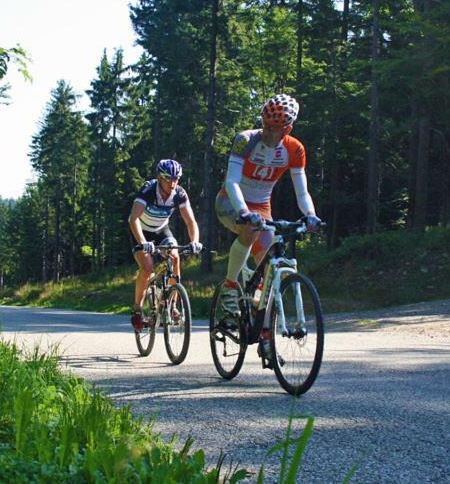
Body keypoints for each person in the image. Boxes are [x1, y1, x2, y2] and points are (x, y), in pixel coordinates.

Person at [215, 94, 322, 364]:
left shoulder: (295, 149)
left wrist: (310, 215)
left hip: (262, 206)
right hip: (231, 201)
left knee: (270, 269)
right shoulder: (245, 140)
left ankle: (264, 335)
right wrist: (242, 211)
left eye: (276, 128)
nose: (269, 132)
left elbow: (302, 190)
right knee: (249, 232)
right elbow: (231, 181)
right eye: (266, 125)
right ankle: (229, 288)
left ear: (288, 129)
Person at [129, 159, 202, 331]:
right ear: (159, 178)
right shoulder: (148, 190)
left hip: (162, 230)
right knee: (147, 268)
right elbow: (133, 218)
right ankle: (137, 309)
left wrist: (195, 241)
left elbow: (190, 221)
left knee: (175, 258)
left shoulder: (179, 194)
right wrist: (143, 243)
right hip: (141, 231)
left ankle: (172, 305)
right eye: (168, 178)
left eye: (176, 179)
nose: (172, 183)